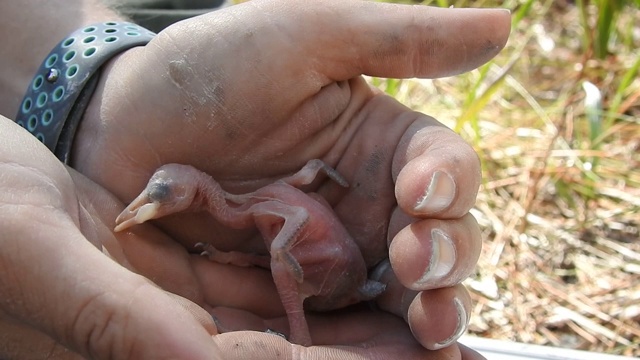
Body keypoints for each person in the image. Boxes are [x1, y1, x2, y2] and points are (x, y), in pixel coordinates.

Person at [0, 0, 510, 358]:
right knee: (279, 262)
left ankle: (301, 335)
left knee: (288, 271)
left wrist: (93, 90)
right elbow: (297, 189)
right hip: (330, 272)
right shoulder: (250, 202)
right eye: (158, 195)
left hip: (343, 277)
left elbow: (294, 203)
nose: (151, 202)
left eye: (162, 194)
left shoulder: (257, 200)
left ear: (195, 190)